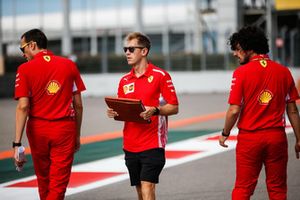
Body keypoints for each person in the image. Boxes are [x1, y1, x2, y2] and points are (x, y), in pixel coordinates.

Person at [219, 26, 300, 200]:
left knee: (243, 188)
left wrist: (225, 133)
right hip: (277, 137)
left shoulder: (241, 73)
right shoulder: (284, 72)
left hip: (250, 139)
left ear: (249, 48)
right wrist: (299, 139)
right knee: (278, 189)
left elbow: (234, 110)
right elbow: (292, 109)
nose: (235, 53)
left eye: (238, 49)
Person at [13, 29, 86, 200]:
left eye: (22, 48)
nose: (23, 53)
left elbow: (23, 107)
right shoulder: (69, 65)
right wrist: (77, 135)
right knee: (58, 182)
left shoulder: (24, 69)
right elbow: (79, 105)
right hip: (64, 128)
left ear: (32, 45)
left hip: (38, 129)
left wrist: (17, 143)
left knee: (43, 178)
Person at [107, 32, 179, 200]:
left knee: (147, 188)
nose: (127, 53)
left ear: (144, 51)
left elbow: (174, 107)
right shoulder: (124, 80)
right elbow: (124, 109)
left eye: (131, 49)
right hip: (130, 144)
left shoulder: (161, 76)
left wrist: (155, 110)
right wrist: (114, 112)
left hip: (153, 143)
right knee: (140, 190)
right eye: (125, 49)